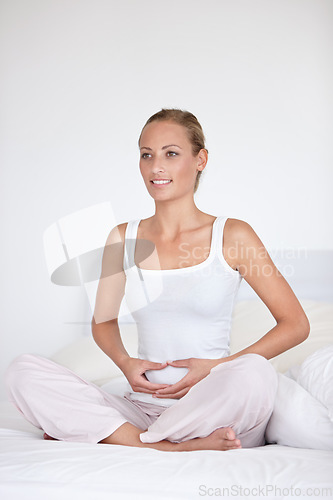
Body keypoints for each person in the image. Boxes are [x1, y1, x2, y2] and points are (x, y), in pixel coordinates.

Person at [6, 108, 310, 452]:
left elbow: (295, 324)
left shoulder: (233, 235)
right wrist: (126, 363)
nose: (156, 167)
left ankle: (116, 436)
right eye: (146, 155)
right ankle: (168, 445)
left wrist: (216, 369)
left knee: (254, 373)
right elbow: (102, 322)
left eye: (171, 153)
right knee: (22, 371)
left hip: (216, 406)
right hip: (141, 407)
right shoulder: (122, 238)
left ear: (200, 160)